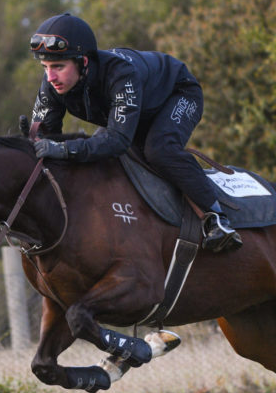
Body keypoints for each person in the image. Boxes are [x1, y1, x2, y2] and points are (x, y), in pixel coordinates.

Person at [27, 13, 242, 252]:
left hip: (178, 94)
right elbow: (45, 140)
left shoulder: (120, 73)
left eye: (58, 66)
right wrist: (33, 141)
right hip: (136, 109)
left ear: (83, 62)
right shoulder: (52, 84)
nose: (50, 77)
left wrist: (65, 148)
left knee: (159, 150)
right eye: (45, 67)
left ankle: (217, 218)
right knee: (93, 151)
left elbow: (118, 140)